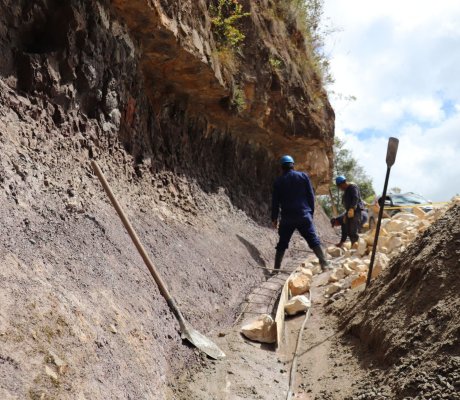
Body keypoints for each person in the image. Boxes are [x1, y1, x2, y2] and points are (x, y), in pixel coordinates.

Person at [271, 155, 330, 271]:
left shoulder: (278, 181)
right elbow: (310, 196)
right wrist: (310, 213)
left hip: (287, 218)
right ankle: (325, 264)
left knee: (282, 243)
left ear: (282, 167)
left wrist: (274, 218)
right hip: (304, 215)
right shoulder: (303, 176)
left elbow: (275, 202)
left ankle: (276, 269)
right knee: (313, 239)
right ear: (293, 165)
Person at [334, 175, 365, 248]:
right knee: (348, 230)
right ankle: (354, 246)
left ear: (343, 183)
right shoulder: (346, 191)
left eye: (340, 186)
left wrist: (352, 208)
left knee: (353, 231)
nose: (340, 188)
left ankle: (357, 247)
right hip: (349, 212)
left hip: (356, 211)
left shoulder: (352, 187)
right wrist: (346, 214)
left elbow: (355, 197)